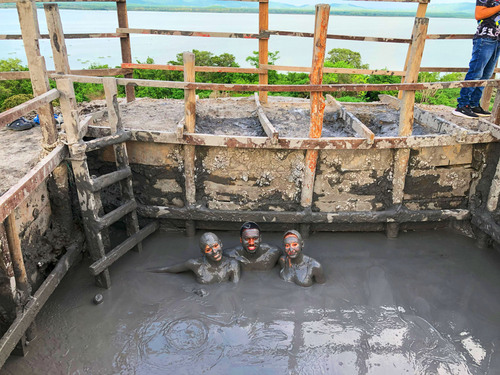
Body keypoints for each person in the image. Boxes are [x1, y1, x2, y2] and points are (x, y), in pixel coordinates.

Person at [453, 0, 500, 119]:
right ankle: (462, 105)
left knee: (486, 75)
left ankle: (474, 105)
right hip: (485, 38)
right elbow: (479, 14)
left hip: (497, 39)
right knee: (476, 72)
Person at [150, 232, 240, 284]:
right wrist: (145, 271)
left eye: (216, 246)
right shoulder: (195, 265)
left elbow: (235, 290)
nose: (214, 251)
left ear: (220, 244)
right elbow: (169, 269)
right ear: (202, 252)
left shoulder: (232, 265)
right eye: (208, 249)